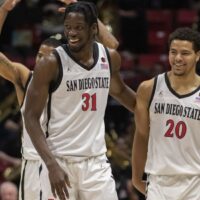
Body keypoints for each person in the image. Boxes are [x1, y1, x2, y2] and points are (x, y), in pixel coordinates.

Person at [24, 1, 136, 200]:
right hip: (59, 161)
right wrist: (50, 165)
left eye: (78, 28)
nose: (72, 33)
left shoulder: (108, 58)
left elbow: (120, 91)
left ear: (93, 28)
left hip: (96, 163)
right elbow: (30, 117)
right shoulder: (50, 64)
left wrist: (152, 112)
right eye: (68, 27)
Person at [132, 27, 200, 200]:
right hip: (159, 182)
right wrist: (136, 177)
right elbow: (141, 136)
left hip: (195, 182)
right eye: (173, 52)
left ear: (197, 55)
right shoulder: (149, 89)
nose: (178, 58)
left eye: (185, 53)